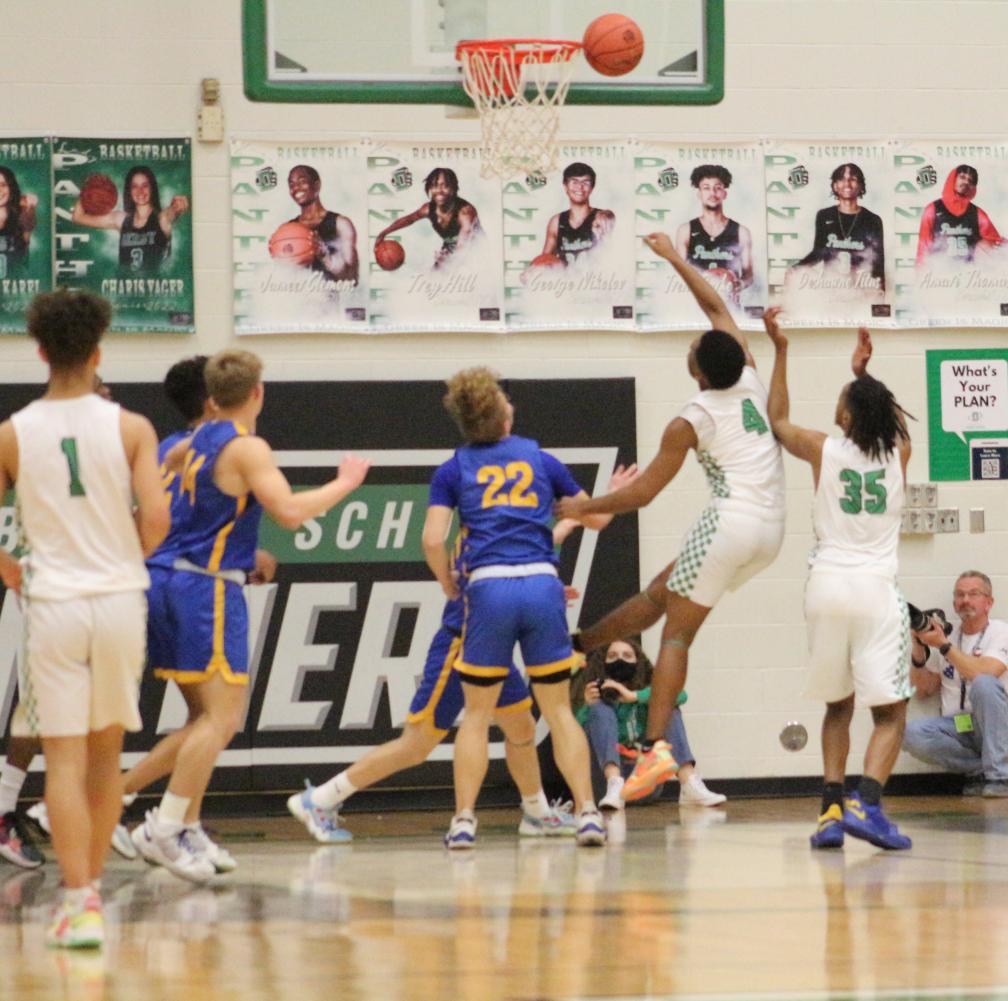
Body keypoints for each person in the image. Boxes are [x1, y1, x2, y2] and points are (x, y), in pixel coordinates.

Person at [558, 232, 785, 804]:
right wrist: (673, 258)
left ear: (700, 374)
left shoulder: (692, 416)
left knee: (676, 637)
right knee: (663, 590)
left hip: (730, 522)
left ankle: (655, 751)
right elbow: (716, 307)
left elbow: (643, 496)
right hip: (771, 532)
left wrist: (585, 505)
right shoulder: (751, 378)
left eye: (692, 352)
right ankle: (582, 643)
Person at [130, 349, 370, 881]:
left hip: (168, 579)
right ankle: (163, 827)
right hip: (205, 589)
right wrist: (346, 483)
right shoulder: (246, 446)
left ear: (212, 396)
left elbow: (167, 490)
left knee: (206, 720)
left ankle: (184, 824)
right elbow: (287, 511)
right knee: (222, 719)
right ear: (257, 392)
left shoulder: (187, 443)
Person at [287, 509, 628, 847]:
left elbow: (527, 553)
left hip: (490, 647)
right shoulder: (480, 536)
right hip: (460, 645)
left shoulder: (500, 533)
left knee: (521, 727)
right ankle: (319, 799)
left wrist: (566, 532)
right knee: (416, 745)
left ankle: (536, 812)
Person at [0, 289, 169, 947]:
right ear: (98, 352)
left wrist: (10, 567)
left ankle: (80, 902)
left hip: (55, 608)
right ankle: (91, 892)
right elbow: (155, 520)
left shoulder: (12, 433)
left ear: (39, 351)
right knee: (106, 760)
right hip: (120, 600)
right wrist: (122, 555)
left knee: (62, 763)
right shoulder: (131, 428)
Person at [423, 367, 622, 847]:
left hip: (489, 588)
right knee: (557, 712)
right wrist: (597, 502)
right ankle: (589, 813)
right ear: (503, 414)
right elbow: (595, 518)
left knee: (475, 715)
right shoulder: (539, 458)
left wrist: (447, 581)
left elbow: (433, 539)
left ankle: (465, 821)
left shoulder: (453, 469)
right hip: (539, 582)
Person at [762, 308, 916, 849]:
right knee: (891, 713)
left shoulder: (823, 449)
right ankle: (867, 805)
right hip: (875, 591)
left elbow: (776, 419)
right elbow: (891, 418)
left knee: (837, 705)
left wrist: (780, 349)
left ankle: (830, 812)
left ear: (847, 418)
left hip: (825, 586)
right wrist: (864, 377)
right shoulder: (900, 453)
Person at [903, 571, 1008, 798]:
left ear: (989, 602)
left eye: (973, 594)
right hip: (959, 728)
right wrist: (918, 649)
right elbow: (923, 690)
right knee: (908, 734)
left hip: (1003, 727)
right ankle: (980, 769)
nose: (965, 600)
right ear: (954, 603)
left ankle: (999, 778)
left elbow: (985, 673)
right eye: (960, 595)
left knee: (984, 684)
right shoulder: (948, 637)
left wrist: (945, 647)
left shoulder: (1002, 632)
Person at [570, 638, 726, 810]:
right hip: (603, 787)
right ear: (602, 664)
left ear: (638, 663)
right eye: (612, 656)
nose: (619, 660)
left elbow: (680, 695)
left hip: (643, 781)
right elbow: (573, 741)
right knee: (600, 708)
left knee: (667, 707)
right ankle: (614, 783)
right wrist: (587, 706)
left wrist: (634, 696)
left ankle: (688, 782)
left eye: (627, 655)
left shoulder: (645, 694)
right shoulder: (595, 700)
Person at [71, 165, 189, 275]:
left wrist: (177, 206)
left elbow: (171, 213)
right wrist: (88, 190)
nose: (140, 191)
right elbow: (78, 217)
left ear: (152, 188)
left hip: (156, 294)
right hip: (125, 294)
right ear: (129, 190)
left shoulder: (162, 219)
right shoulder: (120, 220)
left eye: (145, 186)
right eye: (134, 186)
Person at [789, 163, 885, 292]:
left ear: (861, 186)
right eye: (841, 179)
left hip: (861, 288)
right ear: (835, 186)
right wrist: (796, 268)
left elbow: (878, 263)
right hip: (831, 286)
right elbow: (818, 252)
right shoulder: (824, 216)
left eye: (853, 179)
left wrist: (879, 295)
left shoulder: (872, 220)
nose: (847, 184)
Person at [374, 167, 483, 269]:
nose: (440, 190)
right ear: (430, 188)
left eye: (445, 186)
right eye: (435, 185)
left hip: (474, 251)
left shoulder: (465, 212)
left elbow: (464, 244)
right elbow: (409, 219)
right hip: (452, 248)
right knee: (435, 277)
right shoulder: (428, 209)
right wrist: (384, 233)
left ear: (453, 189)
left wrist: (450, 261)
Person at [674, 165, 754, 292]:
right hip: (698, 301)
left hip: (729, 305)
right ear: (699, 194)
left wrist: (736, 284)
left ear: (724, 193)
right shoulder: (685, 230)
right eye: (706, 188)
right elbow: (678, 272)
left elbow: (748, 276)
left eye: (718, 188)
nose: (712, 193)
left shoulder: (741, 232)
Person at [914, 165, 1006, 268]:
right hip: (940, 275)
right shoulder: (932, 209)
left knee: (985, 245)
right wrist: (920, 275)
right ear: (953, 178)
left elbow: (996, 241)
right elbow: (923, 248)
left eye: (970, 181)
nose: (966, 182)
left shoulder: (978, 213)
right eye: (962, 177)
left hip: (970, 273)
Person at [286, 164, 359, 284]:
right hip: (296, 301)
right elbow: (284, 277)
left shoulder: (340, 224)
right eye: (291, 185)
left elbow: (352, 279)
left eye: (302, 181)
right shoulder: (288, 229)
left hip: (328, 301)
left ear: (316, 186)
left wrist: (326, 257)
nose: (296, 188)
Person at [541, 162, 616, 267]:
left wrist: (609, 216)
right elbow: (544, 260)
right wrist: (533, 271)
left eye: (585, 182)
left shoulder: (602, 218)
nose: (580, 187)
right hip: (564, 282)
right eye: (574, 182)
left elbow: (618, 254)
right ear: (565, 186)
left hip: (599, 281)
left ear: (592, 187)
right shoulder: (556, 222)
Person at [0, 165, 38, 275]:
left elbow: (24, 246)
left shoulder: (22, 213)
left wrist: (29, 208)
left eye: (3, 185)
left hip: (15, 279)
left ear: (11, 187)